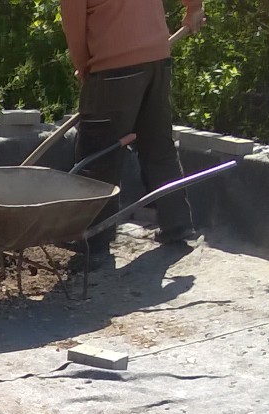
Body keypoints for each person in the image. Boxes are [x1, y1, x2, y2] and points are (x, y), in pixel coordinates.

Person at [60, 0, 205, 266]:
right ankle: (177, 224)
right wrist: (194, 7)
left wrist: (84, 68)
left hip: (113, 67)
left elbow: (73, 26)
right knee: (157, 144)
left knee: (98, 156)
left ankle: (94, 242)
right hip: (156, 61)